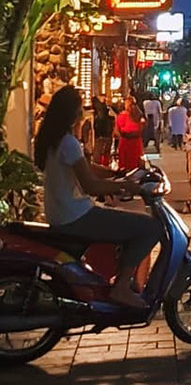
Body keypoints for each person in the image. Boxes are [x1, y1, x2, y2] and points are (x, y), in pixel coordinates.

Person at [36, 86, 161, 309]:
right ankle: (121, 287)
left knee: (127, 222)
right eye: (80, 106)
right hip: (76, 215)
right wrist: (125, 186)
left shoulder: (53, 140)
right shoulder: (68, 142)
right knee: (149, 228)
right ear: (73, 112)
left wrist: (116, 173)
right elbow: (91, 185)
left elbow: (86, 168)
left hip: (62, 213)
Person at [114, 95, 145, 170]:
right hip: (136, 141)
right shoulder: (139, 114)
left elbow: (118, 130)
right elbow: (142, 126)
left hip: (125, 141)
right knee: (135, 161)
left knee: (125, 162)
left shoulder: (122, 116)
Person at [91, 95, 114, 165]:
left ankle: (99, 165)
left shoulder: (101, 109)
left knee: (100, 150)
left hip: (101, 132)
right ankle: (104, 165)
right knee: (104, 150)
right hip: (105, 131)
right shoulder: (104, 109)